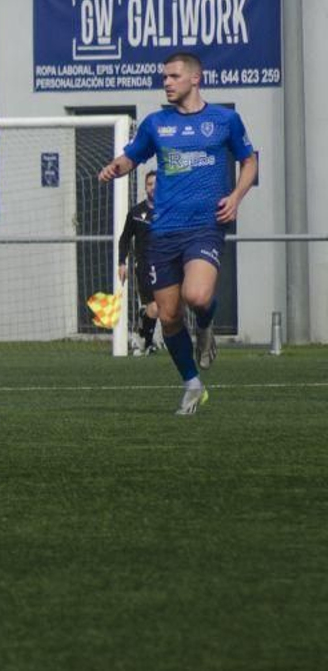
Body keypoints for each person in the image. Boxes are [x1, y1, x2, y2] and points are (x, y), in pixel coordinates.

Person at [99, 51, 258, 415]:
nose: (166, 83)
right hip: (163, 232)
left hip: (204, 227)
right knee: (168, 317)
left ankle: (204, 325)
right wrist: (115, 168)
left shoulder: (225, 120)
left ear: (194, 79)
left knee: (198, 296)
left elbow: (249, 160)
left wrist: (236, 196)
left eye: (173, 76)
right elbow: (131, 157)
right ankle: (192, 384)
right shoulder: (157, 124)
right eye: (164, 78)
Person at [116, 170, 159, 355]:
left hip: (165, 266)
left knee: (161, 308)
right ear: (145, 187)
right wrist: (121, 262)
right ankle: (146, 342)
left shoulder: (170, 211)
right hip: (143, 266)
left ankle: (144, 339)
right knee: (155, 307)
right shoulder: (135, 213)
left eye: (157, 184)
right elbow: (124, 238)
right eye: (150, 184)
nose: (154, 188)